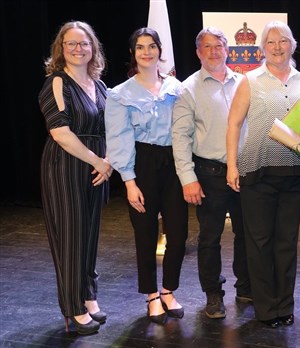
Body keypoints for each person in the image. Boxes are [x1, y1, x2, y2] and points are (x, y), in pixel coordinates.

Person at [226, 20, 300, 328]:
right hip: (256, 172)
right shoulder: (249, 80)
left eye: (284, 41)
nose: (278, 47)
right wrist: (232, 165)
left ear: (293, 46)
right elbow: (234, 124)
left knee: (286, 242)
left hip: (294, 173)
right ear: (263, 48)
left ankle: (284, 306)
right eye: (271, 42)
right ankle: (265, 309)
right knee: (260, 243)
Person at [105, 27, 188, 324]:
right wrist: (129, 181)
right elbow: (118, 138)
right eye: (140, 47)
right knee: (146, 234)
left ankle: (168, 290)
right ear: (133, 53)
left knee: (178, 235)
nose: (147, 52)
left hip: (174, 163)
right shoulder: (120, 94)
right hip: (141, 164)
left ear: (159, 50)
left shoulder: (176, 88)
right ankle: (151, 295)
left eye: (151, 46)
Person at [172, 27, 251, 320]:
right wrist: (187, 178)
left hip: (245, 172)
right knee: (209, 238)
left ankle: (246, 286)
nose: (214, 51)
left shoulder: (245, 82)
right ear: (198, 53)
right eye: (207, 47)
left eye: (218, 46)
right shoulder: (188, 89)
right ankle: (213, 295)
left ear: (227, 50)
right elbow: (180, 137)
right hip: (209, 174)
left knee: (247, 234)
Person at [39, 20, 111, 335]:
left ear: (93, 48)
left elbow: (113, 128)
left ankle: (88, 295)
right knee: (70, 238)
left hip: (97, 167)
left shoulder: (101, 85)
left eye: (84, 43)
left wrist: (107, 161)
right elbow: (61, 133)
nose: (78, 49)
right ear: (61, 48)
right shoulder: (56, 82)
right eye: (71, 43)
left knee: (89, 235)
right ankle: (72, 307)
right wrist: (98, 160)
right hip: (66, 166)